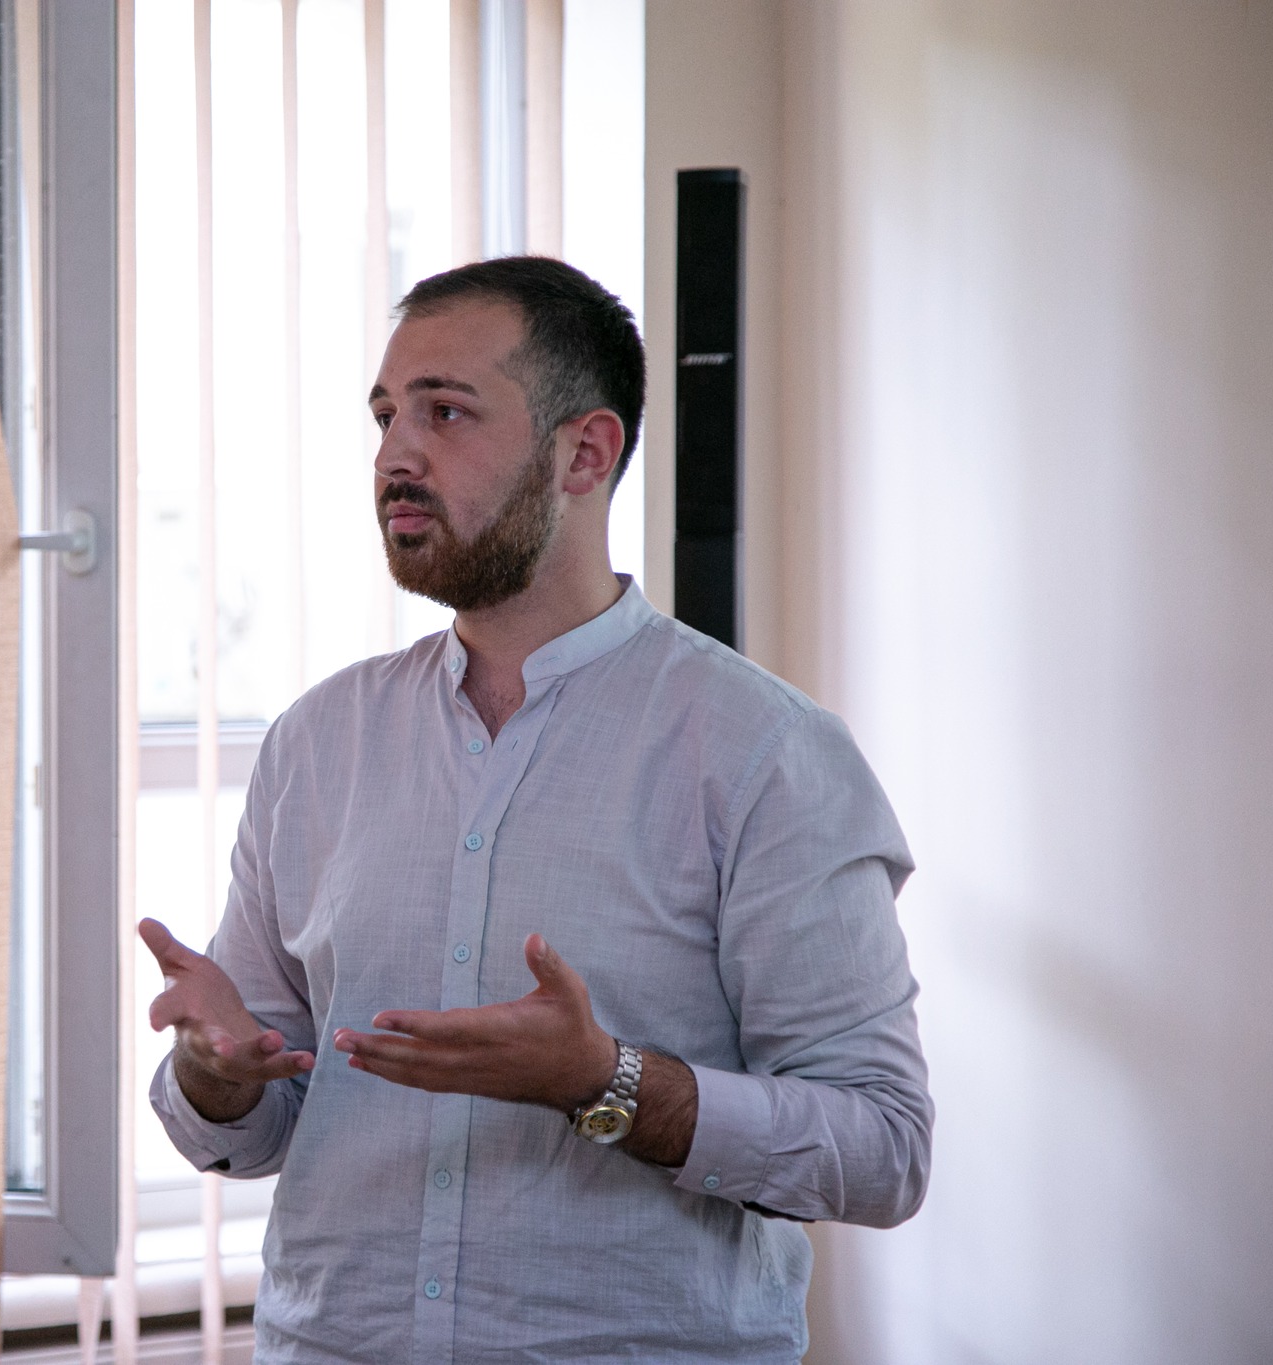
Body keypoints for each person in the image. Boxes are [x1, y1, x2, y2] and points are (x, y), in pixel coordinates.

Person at [142, 257, 931, 1364]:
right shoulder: (316, 743)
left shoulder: (765, 753)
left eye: (443, 412)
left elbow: (883, 1149)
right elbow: (260, 1121)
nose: (393, 455)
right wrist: (214, 1072)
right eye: (384, 415)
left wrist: (604, 1083)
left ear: (584, 453)